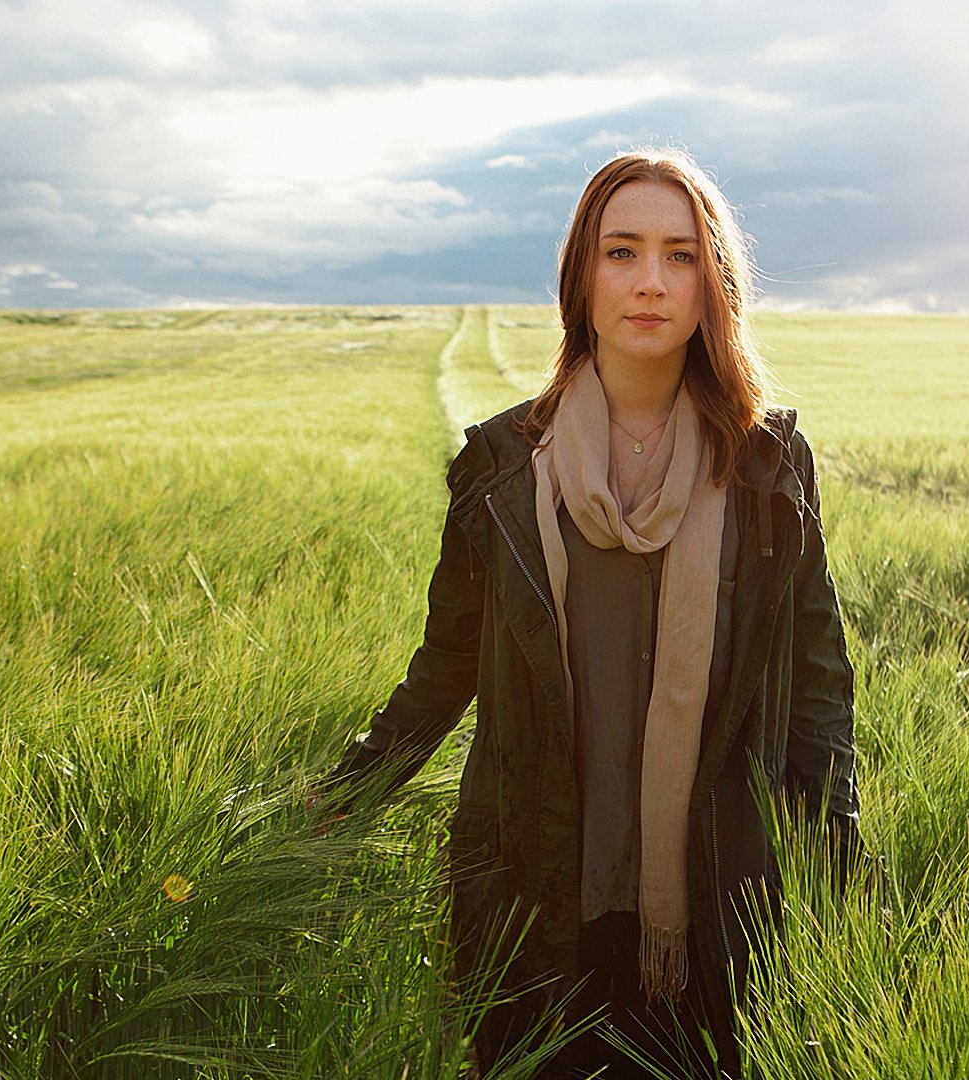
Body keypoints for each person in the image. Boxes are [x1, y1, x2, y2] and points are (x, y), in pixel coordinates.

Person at [317, 148, 859, 1078]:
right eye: (622, 252)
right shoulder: (500, 467)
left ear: (712, 284)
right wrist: (332, 805)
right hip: (535, 898)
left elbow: (818, 683)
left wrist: (837, 871)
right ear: (581, 276)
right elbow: (445, 667)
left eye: (681, 256)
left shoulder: (768, 466)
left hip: (713, 908)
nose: (651, 281)